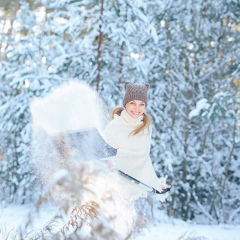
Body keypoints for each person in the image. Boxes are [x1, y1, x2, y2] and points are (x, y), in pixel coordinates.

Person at [103, 82, 171, 202]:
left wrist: (156, 184)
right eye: (132, 103)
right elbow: (102, 151)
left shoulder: (145, 128)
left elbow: (143, 160)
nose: (137, 108)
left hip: (128, 191)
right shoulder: (114, 125)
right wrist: (108, 161)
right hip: (109, 184)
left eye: (141, 104)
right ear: (126, 104)